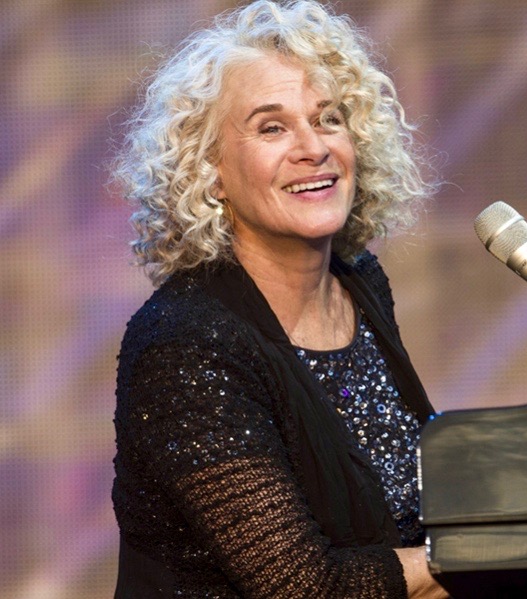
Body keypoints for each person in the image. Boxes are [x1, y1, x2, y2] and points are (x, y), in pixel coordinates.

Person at [111, 1, 448, 597]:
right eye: (272, 128)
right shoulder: (184, 345)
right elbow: (301, 586)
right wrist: (482, 558)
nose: (313, 148)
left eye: (328, 119)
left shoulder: (361, 283)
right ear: (210, 171)